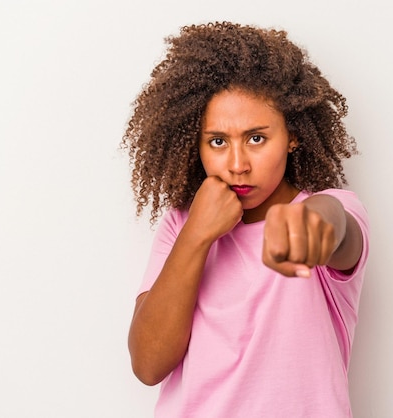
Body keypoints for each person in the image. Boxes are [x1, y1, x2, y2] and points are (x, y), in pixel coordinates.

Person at [123, 21, 370, 417]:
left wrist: (314, 224)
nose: (237, 165)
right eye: (218, 142)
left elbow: (338, 229)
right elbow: (148, 364)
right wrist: (198, 234)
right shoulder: (180, 225)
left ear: (291, 135)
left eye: (257, 138)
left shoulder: (333, 206)